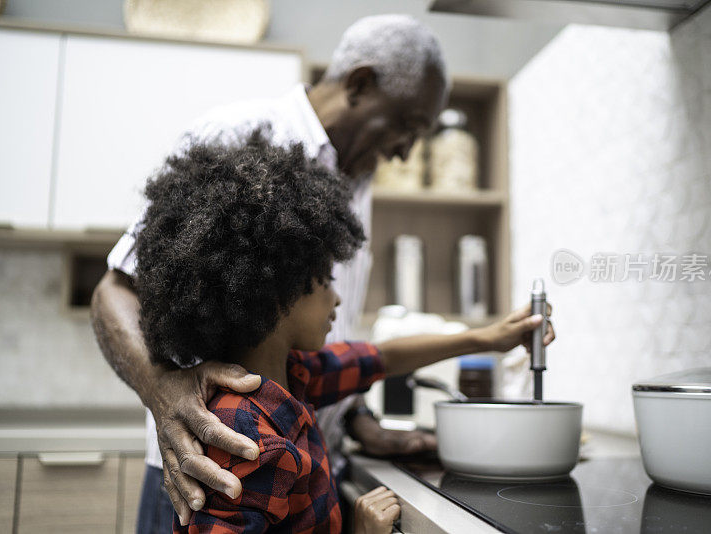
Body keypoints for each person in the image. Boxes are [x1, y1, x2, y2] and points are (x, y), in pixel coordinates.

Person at [91, 14, 452, 532]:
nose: (403, 151)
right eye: (406, 126)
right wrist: (164, 394)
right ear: (360, 83)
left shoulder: (358, 174)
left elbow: (313, 338)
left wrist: (356, 418)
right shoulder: (239, 133)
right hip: (209, 464)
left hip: (308, 456)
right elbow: (116, 289)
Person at [133, 134, 555, 533]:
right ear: (280, 291)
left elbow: (381, 358)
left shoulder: (293, 377)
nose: (337, 298)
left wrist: (488, 338)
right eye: (325, 279)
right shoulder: (247, 440)